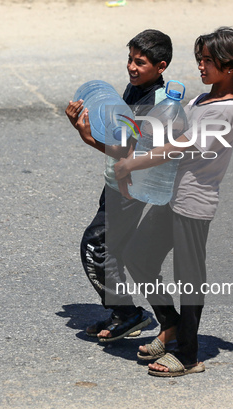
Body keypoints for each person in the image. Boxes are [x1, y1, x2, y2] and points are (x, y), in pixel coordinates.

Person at [114, 27, 233, 375]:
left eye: (208, 61)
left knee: (189, 277)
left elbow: (178, 147)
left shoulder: (227, 112)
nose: (200, 65)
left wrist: (133, 163)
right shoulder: (200, 100)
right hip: (172, 197)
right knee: (137, 256)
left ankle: (188, 354)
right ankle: (170, 325)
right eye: (200, 58)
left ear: (229, 67)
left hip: (195, 204)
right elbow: (170, 132)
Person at [65, 29, 174, 341]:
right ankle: (121, 312)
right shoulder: (136, 88)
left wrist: (86, 138)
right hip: (116, 182)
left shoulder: (157, 104)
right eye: (129, 60)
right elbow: (121, 134)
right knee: (110, 248)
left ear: (161, 67)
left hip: (130, 188)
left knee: (95, 245)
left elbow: (131, 155)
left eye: (140, 63)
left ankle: (129, 313)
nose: (131, 67)